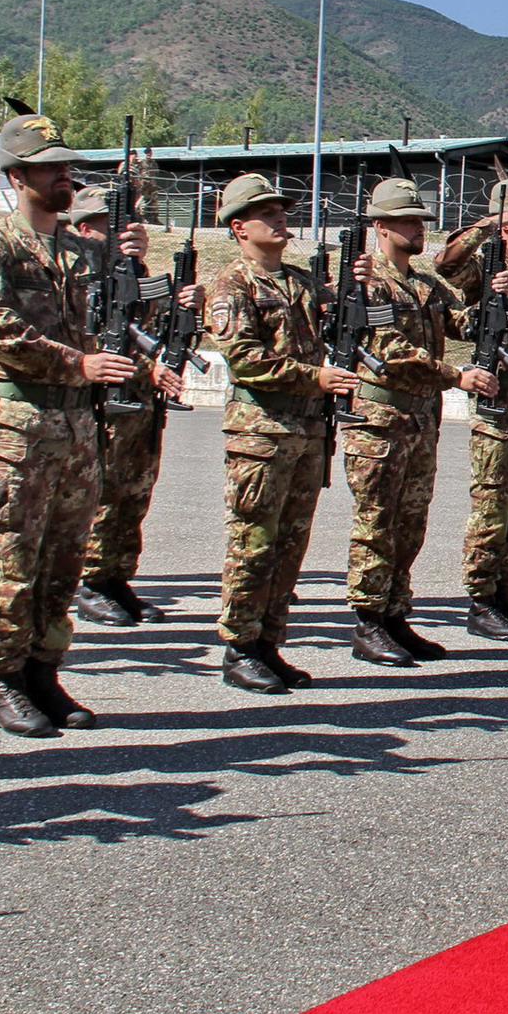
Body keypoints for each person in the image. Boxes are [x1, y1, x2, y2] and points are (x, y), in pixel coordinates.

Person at [0, 111, 147, 738]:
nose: (64, 177)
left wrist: (138, 268)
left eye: (66, 167)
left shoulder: (82, 251)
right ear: (16, 177)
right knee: (14, 557)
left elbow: (123, 316)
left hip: (76, 428)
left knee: (64, 559)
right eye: (49, 169)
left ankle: (44, 669)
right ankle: (4, 675)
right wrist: (77, 364)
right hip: (16, 423)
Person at [204, 174, 364, 692]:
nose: (279, 218)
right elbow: (245, 359)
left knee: (291, 545)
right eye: (266, 212)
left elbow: (345, 321)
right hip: (260, 434)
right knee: (253, 543)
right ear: (239, 227)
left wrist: (357, 284)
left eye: (280, 210)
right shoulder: (232, 285)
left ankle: (269, 643)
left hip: (307, 431)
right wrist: (314, 377)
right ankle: (240, 647)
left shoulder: (301, 282)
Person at [344, 177, 499, 667]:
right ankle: (368, 621)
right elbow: (389, 350)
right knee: (376, 523)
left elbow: (463, 323)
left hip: (418, 422)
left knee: (410, 524)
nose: (419, 228)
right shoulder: (367, 282)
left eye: (420, 221)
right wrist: (456, 376)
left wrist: (493, 297)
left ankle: (395, 614)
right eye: (408, 221)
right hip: (379, 422)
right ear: (381, 227)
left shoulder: (424, 285)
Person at [66, 182, 195, 628]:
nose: (129, 231)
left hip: (139, 406)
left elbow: (151, 330)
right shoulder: (79, 277)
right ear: (86, 230)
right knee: (104, 494)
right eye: (115, 225)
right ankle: (91, 581)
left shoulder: (135, 274)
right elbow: (93, 341)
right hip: (101, 404)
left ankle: (118, 576)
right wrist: (146, 369)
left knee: (135, 493)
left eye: (131, 224)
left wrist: (179, 303)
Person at [433, 178, 508, 640]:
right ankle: (480, 600)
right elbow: (445, 262)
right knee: (491, 506)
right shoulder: (487, 272)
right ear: (506, 226)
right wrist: (488, 224)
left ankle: (504, 593)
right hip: (499, 411)